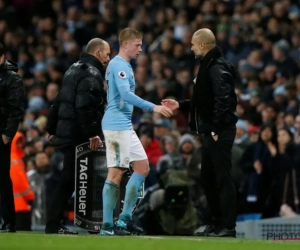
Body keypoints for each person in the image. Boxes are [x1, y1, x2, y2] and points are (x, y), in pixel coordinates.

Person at [162, 28, 238, 238]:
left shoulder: (216, 68)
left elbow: (223, 100)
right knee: (208, 177)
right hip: (211, 130)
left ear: (202, 45)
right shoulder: (208, 66)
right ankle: (216, 223)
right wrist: (181, 104)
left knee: (222, 177)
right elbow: (204, 102)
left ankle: (228, 227)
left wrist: (215, 127)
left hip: (219, 130)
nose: (192, 48)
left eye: (194, 45)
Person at [100, 28, 173, 236]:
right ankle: (106, 226)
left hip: (125, 125)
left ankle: (125, 219)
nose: (141, 49)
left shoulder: (126, 66)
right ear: (125, 44)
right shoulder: (117, 65)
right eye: (137, 45)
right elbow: (125, 94)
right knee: (116, 173)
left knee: (142, 167)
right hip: (115, 125)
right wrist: (154, 107)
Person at [45, 38, 110, 234]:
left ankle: (80, 224)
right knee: (71, 179)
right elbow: (85, 106)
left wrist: (51, 127)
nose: (108, 58)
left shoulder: (73, 69)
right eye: (107, 54)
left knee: (73, 178)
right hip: (78, 134)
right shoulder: (92, 73)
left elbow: (59, 100)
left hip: (68, 130)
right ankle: (54, 224)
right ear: (97, 53)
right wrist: (92, 133)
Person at [0, 43, 25, 233]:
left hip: (1, 134)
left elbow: (16, 109)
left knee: (2, 179)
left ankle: (9, 222)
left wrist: (8, 134)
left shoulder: (12, 79)